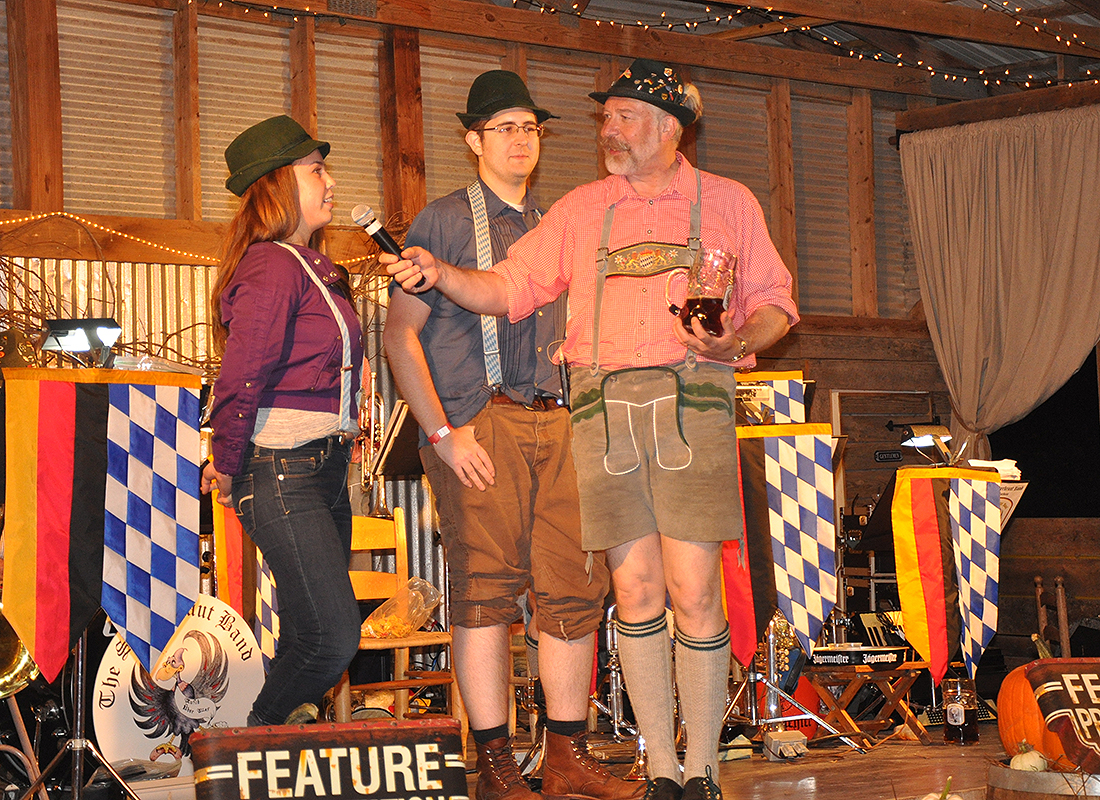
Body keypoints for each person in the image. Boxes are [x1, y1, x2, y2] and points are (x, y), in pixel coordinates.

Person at [385, 59, 799, 800]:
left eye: (624, 116)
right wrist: (442, 274)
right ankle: (662, 769)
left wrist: (736, 340)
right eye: (604, 117)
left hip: (694, 398)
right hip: (600, 406)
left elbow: (774, 303)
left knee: (694, 587)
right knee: (634, 588)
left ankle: (701, 764)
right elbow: (509, 286)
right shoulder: (580, 209)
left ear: (670, 127)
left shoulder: (730, 202)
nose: (608, 129)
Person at [383, 70, 643, 800]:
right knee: (487, 592)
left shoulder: (560, 224)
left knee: (573, 587)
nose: (522, 140)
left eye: (531, 127)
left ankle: (565, 754)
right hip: (479, 422)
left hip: (561, 419)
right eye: (505, 128)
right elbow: (400, 338)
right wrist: (443, 435)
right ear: (472, 141)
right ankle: (495, 762)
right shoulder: (440, 222)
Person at [201, 115, 362, 727]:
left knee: (307, 638)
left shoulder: (308, 266)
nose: (330, 181)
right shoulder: (272, 264)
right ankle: (239, 751)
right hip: (282, 468)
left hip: (321, 469)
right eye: (315, 169)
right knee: (330, 640)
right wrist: (228, 461)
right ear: (276, 184)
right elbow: (242, 374)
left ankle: (260, 767)